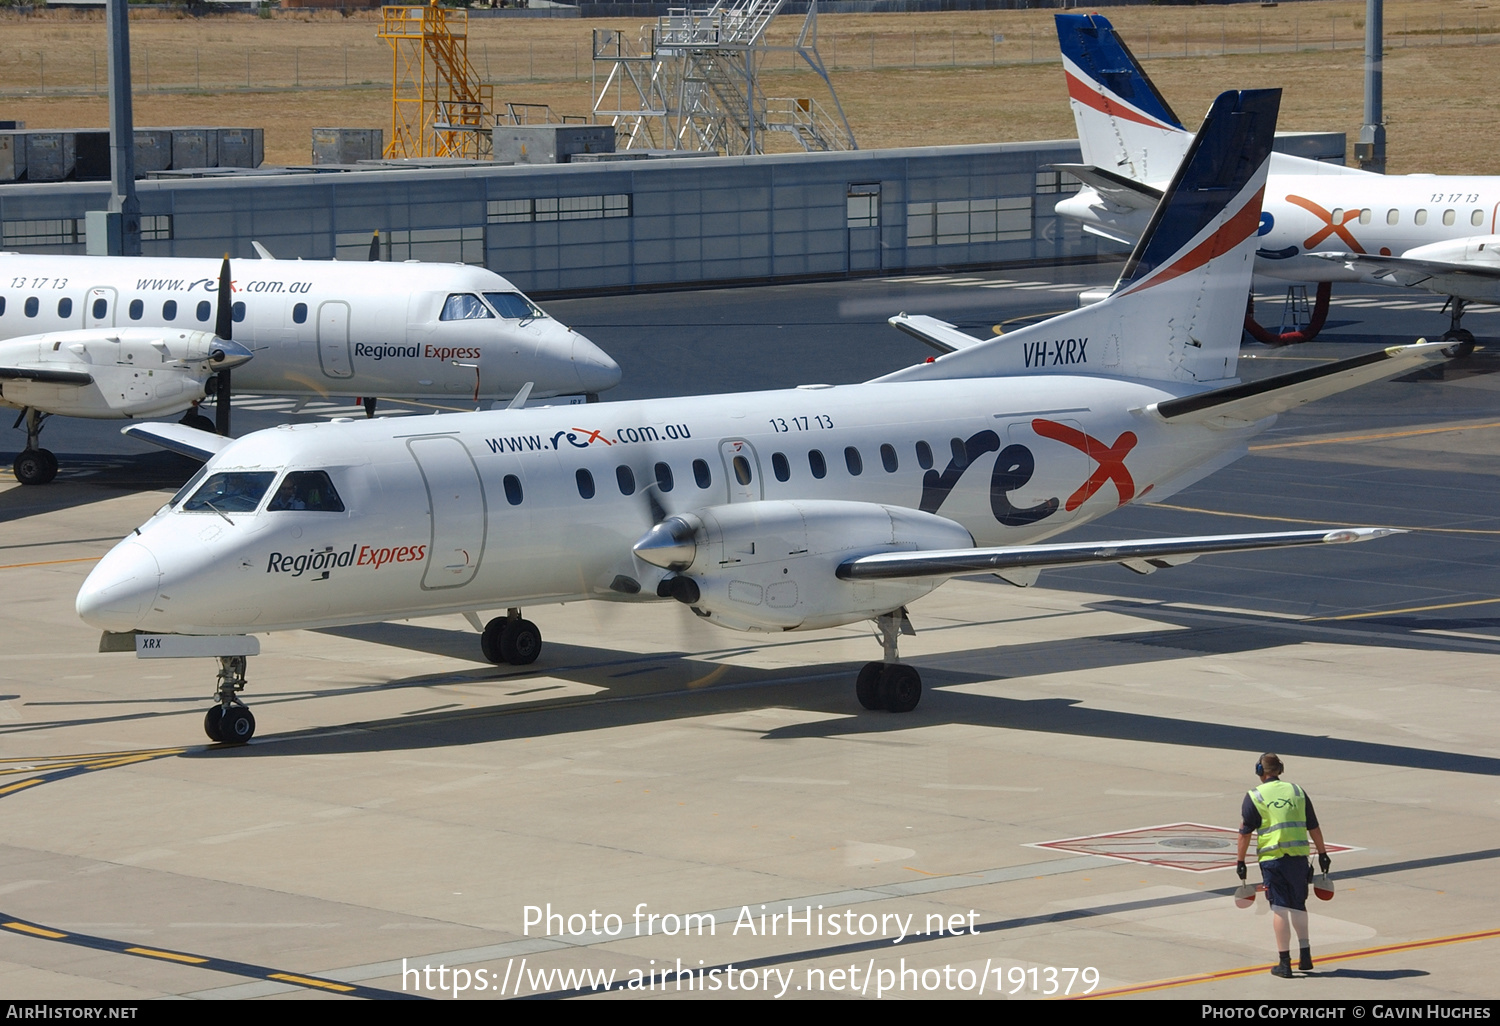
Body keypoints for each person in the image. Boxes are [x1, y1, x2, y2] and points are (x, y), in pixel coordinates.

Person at [1236, 753, 1332, 977]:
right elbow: (1314, 827)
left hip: (1273, 860)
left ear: (1261, 771)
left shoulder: (1255, 795)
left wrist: (1240, 861)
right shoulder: (1297, 791)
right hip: (1299, 858)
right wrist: (1323, 853)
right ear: (1280, 769)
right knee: (1298, 905)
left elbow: (1245, 833)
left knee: (1280, 908)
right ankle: (1306, 955)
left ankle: (1284, 963)